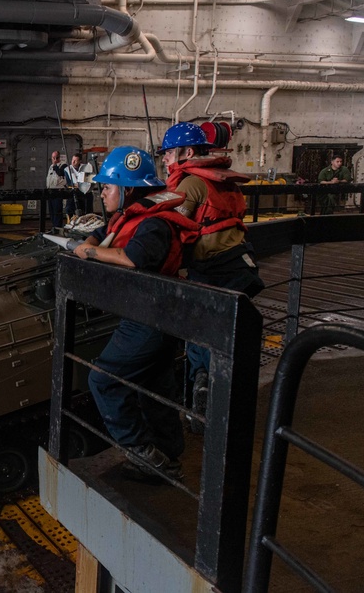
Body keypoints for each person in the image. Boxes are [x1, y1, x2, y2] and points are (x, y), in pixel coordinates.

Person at [73, 146, 199, 482]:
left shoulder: (154, 224)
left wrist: (86, 252)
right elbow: (101, 235)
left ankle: (147, 457)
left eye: (108, 187)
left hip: (149, 318)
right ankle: (168, 457)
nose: (103, 193)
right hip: (154, 315)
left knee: (103, 380)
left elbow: (133, 258)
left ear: (128, 190)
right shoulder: (131, 216)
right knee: (154, 387)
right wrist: (84, 244)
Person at [158, 122, 264, 426]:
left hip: (212, 272)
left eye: (168, 154)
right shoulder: (223, 181)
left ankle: (202, 405)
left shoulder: (190, 184)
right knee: (224, 341)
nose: (165, 159)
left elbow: (168, 228)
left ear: (187, 152)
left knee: (198, 337)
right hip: (239, 266)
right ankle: (222, 405)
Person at [64, 153, 94, 218]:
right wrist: (75, 185)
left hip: (85, 192)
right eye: (72, 160)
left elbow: (91, 180)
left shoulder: (86, 167)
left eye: (75, 160)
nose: (73, 162)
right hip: (74, 191)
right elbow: (69, 182)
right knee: (70, 208)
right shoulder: (67, 169)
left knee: (87, 207)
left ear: (80, 161)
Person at [46, 150, 69, 231]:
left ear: (59, 157)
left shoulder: (63, 165)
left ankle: (58, 227)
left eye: (56, 157)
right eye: (53, 157)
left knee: (57, 210)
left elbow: (60, 173)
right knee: (51, 210)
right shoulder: (51, 166)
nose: (55, 159)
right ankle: (53, 226)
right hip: (50, 191)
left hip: (58, 191)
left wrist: (55, 165)